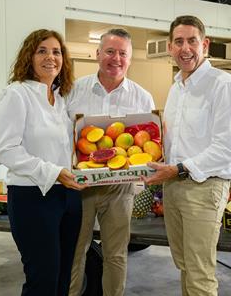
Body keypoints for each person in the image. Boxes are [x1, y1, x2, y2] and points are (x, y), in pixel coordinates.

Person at [142, 16, 231, 296]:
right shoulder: (176, 88)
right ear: (170, 47)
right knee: (185, 265)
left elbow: (226, 148)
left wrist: (177, 170)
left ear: (205, 44)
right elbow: (173, 142)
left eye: (192, 41)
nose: (185, 48)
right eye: (178, 41)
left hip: (204, 187)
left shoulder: (222, 84)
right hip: (173, 187)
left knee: (200, 273)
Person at [0, 29, 88, 296]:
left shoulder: (58, 99)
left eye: (56, 52)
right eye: (42, 51)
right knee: (42, 279)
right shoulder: (16, 94)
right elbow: (6, 150)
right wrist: (54, 172)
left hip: (68, 196)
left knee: (61, 277)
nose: (51, 57)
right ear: (29, 56)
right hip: (32, 197)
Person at [67, 28, 155, 296]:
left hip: (121, 188)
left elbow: (150, 145)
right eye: (110, 51)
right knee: (75, 251)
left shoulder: (142, 97)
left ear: (130, 59)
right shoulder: (73, 90)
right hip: (79, 186)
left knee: (116, 253)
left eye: (122, 53)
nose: (116, 58)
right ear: (97, 54)